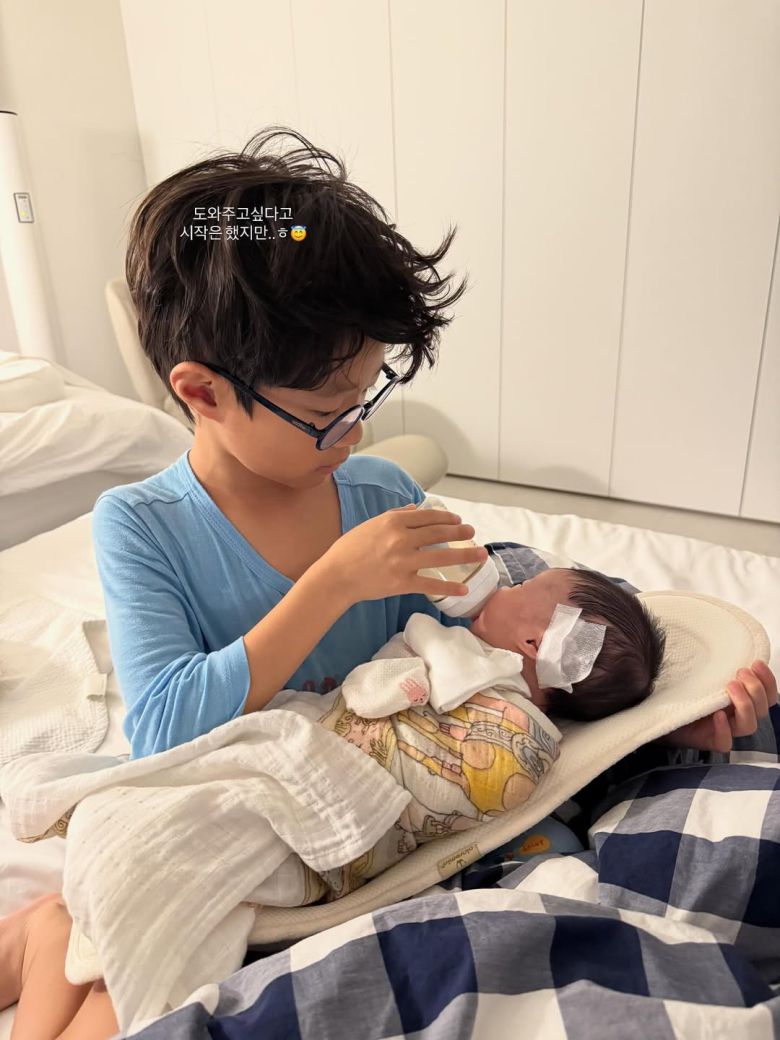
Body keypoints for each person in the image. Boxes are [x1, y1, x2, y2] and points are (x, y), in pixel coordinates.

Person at [1, 126, 776, 1039]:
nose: (356, 436)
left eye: (366, 398)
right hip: (220, 805)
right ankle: (45, 933)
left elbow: (491, 673)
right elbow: (166, 727)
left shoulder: (380, 493)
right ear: (202, 392)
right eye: (327, 414)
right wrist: (330, 584)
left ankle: (51, 935)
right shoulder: (141, 525)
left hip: (341, 830)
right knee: (118, 975)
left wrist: (651, 722)